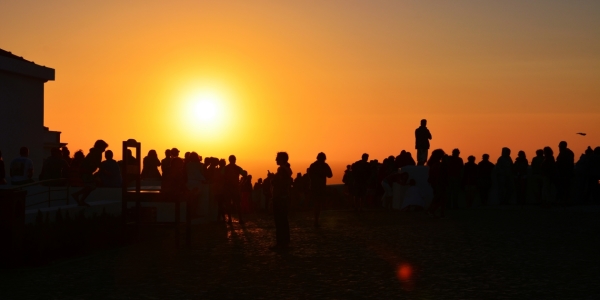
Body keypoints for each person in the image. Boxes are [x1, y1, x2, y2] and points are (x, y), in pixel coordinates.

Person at [71, 140, 109, 206]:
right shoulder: (98, 152)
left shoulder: (94, 152)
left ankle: (81, 199)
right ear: (101, 147)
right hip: (86, 172)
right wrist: (104, 171)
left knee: (91, 186)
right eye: (104, 148)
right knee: (92, 186)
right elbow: (97, 163)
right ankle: (77, 195)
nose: (104, 150)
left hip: (85, 172)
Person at [270, 152, 293, 250]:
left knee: (279, 221)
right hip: (284, 197)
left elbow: (278, 183)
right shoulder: (287, 169)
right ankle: (285, 242)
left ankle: (280, 243)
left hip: (279, 197)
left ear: (282, 159)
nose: (276, 160)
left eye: (277, 158)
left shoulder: (281, 170)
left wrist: (272, 178)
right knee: (284, 220)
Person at [308, 152, 333, 227]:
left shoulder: (313, 165)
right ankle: (316, 219)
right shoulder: (324, 165)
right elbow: (330, 175)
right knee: (318, 203)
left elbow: (310, 176)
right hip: (319, 187)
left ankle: (316, 219)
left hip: (315, 187)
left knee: (317, 203)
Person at [223, 155, 248, 223]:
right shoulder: (237, 168)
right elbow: (245, 175)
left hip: (228, 188)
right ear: (235, 160)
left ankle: (230, 219)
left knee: (229, 203)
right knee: (237, 204)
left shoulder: (226, 168)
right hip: (235, 188)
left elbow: (221, 176)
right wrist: (241, 183)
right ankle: (240, 219)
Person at [427, 149, 447, 217]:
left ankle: (431, 211)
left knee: (437, 198)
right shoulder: (437, 164)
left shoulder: (433, 164)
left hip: (435, 183)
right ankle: (432, 211)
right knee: (440, 198)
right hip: (438, 183)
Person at [186, 152, 206, 218]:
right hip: (197, 183)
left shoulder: (188, 164)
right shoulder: (199, 165)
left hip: (189, 182)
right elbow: (202, 173)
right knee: (196, 199)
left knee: (190, 199)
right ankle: (194, 213)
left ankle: (190, 213)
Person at [556, 141, 575, 205]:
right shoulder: (568, 152)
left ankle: (564, 200)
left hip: (565, 173)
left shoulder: (565, 153)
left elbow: (562, 163)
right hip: (566, 173)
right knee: (565, 187)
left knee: (564, 187)